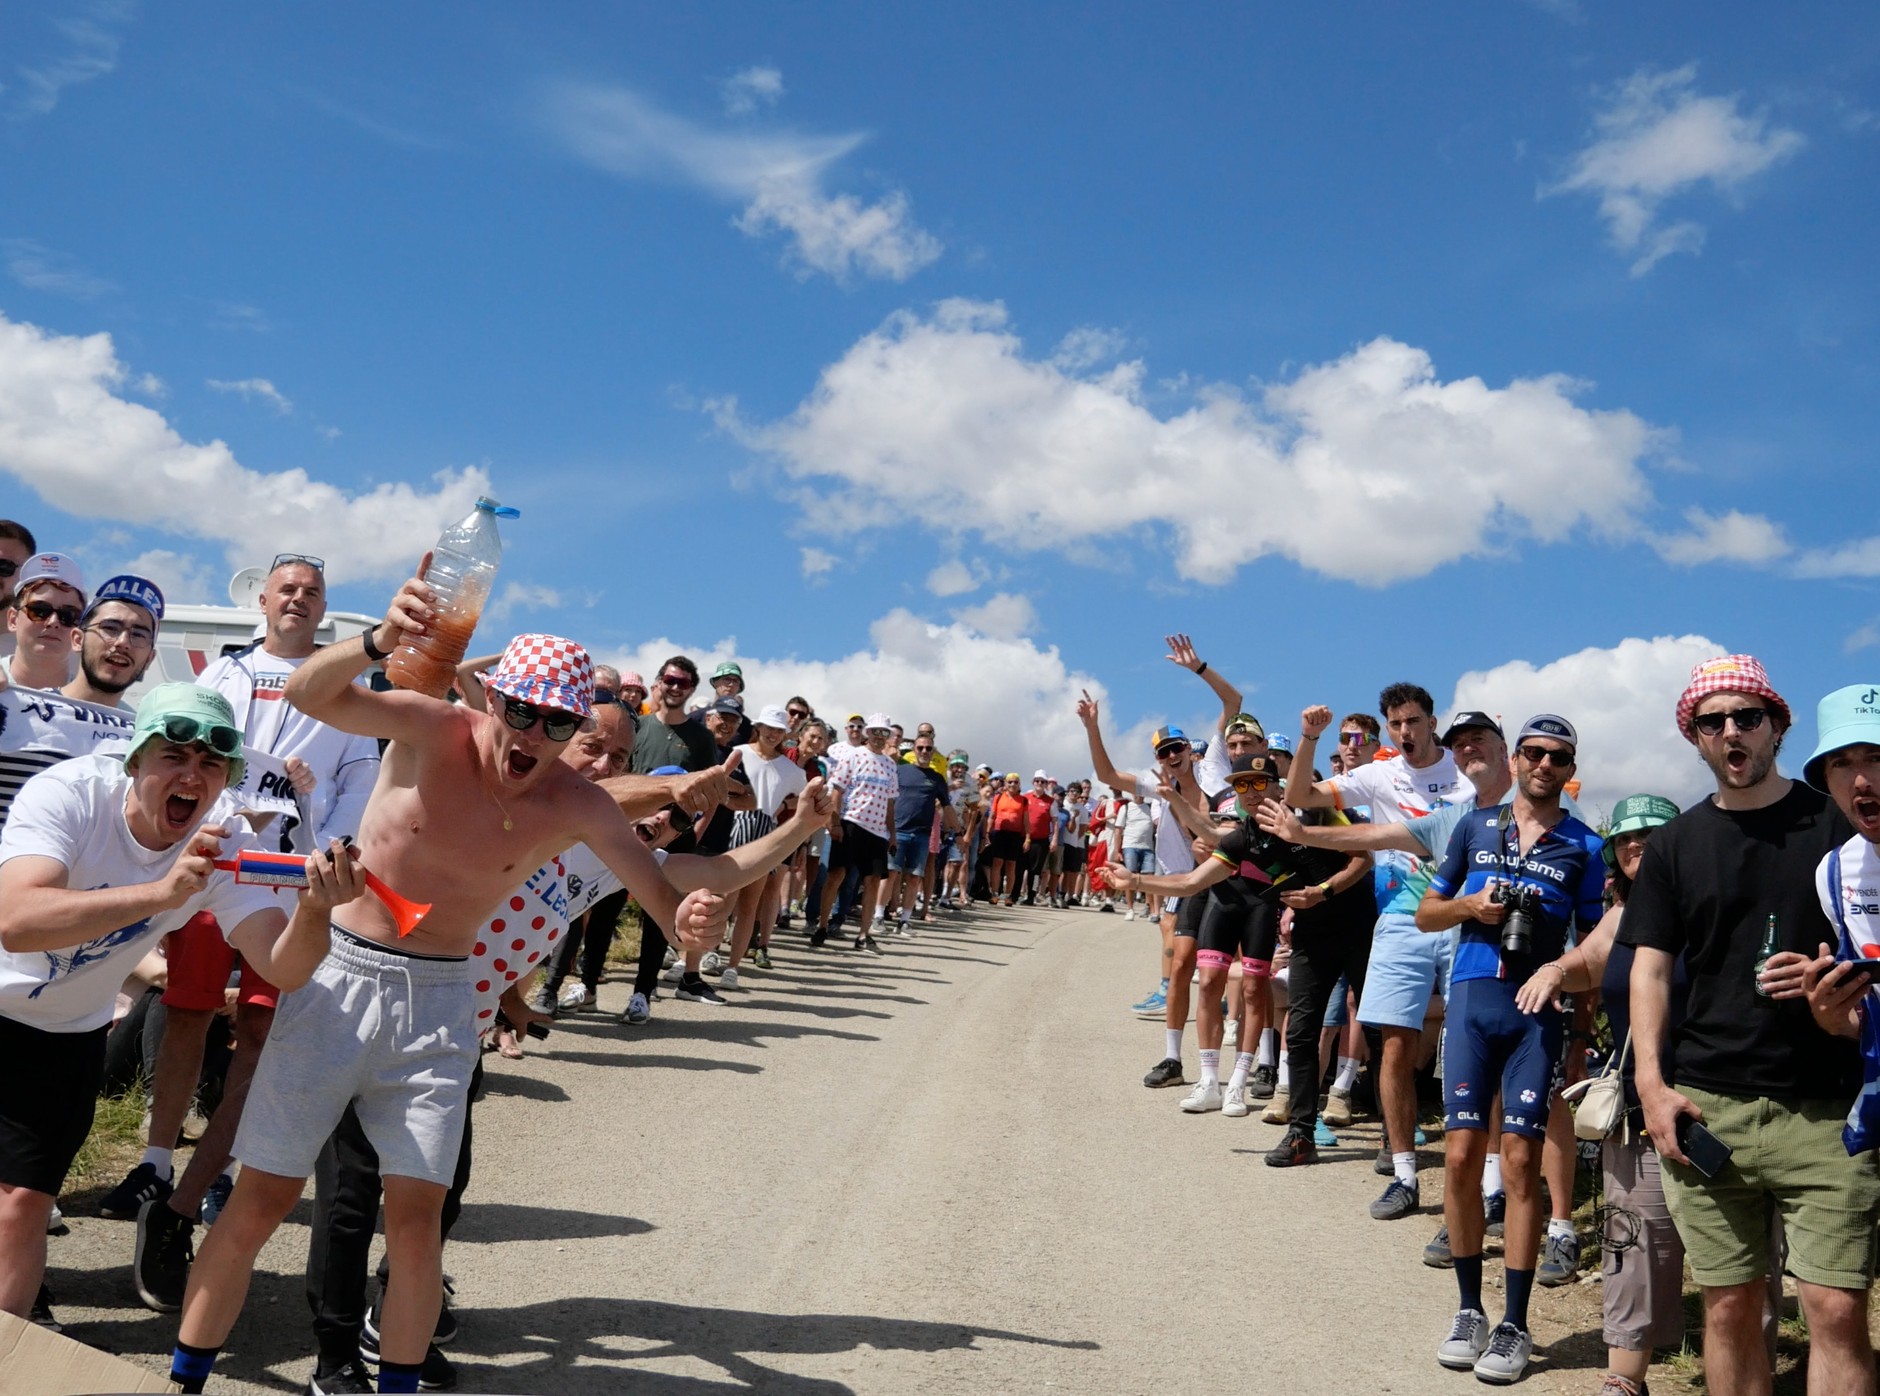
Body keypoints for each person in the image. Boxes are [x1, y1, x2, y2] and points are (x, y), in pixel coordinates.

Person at [168, 578, 729, 1395]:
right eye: (523, 712)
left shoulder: (575, 801)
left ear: (575, 730)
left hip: (441, 998)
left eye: (558, 722)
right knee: (262, 1200)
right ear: (496, 701)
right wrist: (373, 641)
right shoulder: (435, 727)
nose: (534, 733)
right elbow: (307, 691)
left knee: (418, 1219)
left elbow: (663, 903)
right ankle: (185, 1382)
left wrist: (697, 924)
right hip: (341, 976)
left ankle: (395, 1385)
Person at [0, 683, 357, 1325]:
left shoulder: (217, 856)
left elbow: (285, 967)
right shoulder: (71, 794)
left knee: (23, 1203)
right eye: (174, 755)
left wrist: (314, 912)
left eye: (212, 764)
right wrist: (159, 896)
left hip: (64, 1036)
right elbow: (18, 921)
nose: (192, 774)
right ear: (134, 760)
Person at [122, 557, 388, 1311]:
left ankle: (191, 1200)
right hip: (212, 862)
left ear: (326, 608)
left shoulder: (349, 695)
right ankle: (154, 1164)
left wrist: (321, 854)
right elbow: (197, 765)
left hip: (289, 881)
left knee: (264, 1046)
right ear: (265, 600)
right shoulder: (228, 676)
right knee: (186, 1013)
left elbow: (359, 793)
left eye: (312, 591)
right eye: (288, 588)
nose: (299, 599)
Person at [1621, 655, 1874, 1396]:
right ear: (1695, 737)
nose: (1732, 732)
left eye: (1748, 717)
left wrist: (1842, 990)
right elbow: (1650, 970)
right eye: (1713, 721)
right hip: (1709, 1106)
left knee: (1834, 1308)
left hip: (1828, 1104)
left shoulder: (1838, 820)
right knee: (1729, 1308)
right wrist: (1652, 1089)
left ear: (1778, 726)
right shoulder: (1674, 843)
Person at [1512, 792, 1779, 1396]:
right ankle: (1624, 1379)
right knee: (1632, 1245)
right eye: (1626, 838)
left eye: (1653, 835)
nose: (1638, 845)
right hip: (1637, 1112)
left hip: (1722, 1105)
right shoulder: (1621, 915)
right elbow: (1589, 960)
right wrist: (1555, 969)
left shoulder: (1712, 903)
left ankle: (1744, 1377)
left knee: (1741, 1259)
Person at [1417, 715, 1605, 1384]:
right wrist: (1471, 907)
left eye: (1558, 756)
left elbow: (1590, 949)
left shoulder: (1584, 843)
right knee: (1463, 1154)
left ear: (1569, 764)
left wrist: (1580, 1036)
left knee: (1522, 1162)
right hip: (1472, 999)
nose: (1545, 764)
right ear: (1517, 758)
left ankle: (1516, 1322)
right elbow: (1425, 913)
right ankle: (1469, 1309)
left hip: (1537, 1013)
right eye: (1534, 752)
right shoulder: (1475, 826)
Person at [1283, 685, 1472, 1221]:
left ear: (1433, 722)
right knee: (1392, 1045)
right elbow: (1302, 794)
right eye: (1396, 724)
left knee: (1469, 1040)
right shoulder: (1378, 775)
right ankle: (1405, 1172)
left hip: (1461, 917)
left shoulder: (1465, 775)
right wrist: (1309, 737)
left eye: (1413, 721)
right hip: (1396, 920)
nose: (1405, 732)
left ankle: (1484, 1179)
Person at [722, 704, 808, 982]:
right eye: (769, 727)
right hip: (733, 828)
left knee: (750, 903)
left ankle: (732, 967)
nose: (773, 734)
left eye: (779, 730)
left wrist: (785, 804)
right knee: (723, 898)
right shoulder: (739, 753)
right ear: (758, 727)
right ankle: (702, 954)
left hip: (765, 830)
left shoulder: (790, 769)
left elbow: (806, 798)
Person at [818, 713, 897, 954]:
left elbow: (891, 802)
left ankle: (864, 934)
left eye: (884, 732)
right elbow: (837, 791)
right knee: (836, 875)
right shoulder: (853, 755)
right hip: (851, 821)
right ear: (867, 732)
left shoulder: (891, 765)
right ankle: (822, 925)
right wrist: (835, 823)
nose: (879, 736)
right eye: (875, 731)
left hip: (876, 831)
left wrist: (891, 833)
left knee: (872, 880)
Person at [62, 574, 162, 708]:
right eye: (110, 628)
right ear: (78, 640)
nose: (123, 642)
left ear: (149, 659)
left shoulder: (138, 728)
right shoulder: (30, 712)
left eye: (138, 635)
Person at [884, 733, 950, 933]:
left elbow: (947, 807)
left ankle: (904, 920)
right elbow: (889, 799)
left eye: (928, 748)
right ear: (914, 750)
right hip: (898, 831)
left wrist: (959, 831)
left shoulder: (937, 778)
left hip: (922, 835)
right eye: (920, 748)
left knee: (914, 877)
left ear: (932, 752)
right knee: (890, 874)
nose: (924, 752)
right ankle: (878, 916)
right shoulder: (900, 771)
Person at [5, 553, 85, 692]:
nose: (53, 622)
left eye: (68, 615)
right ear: (13, 619)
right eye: (39, 610)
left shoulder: (103, 708)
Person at [985, 773, 1028, 906]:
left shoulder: (1023, 800)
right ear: (1005, 784)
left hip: (1015, 835)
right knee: (997, 862)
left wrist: (1028, 838)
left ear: (1019, 784)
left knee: (1011, 865)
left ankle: (1008, 895)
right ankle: (995, 893)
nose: (1012, 785)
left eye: (1015, 782)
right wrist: (987, 833)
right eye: (1010, 782)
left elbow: (1026, 820)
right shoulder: (998, 798)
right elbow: (992, 816)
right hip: (999, 833)